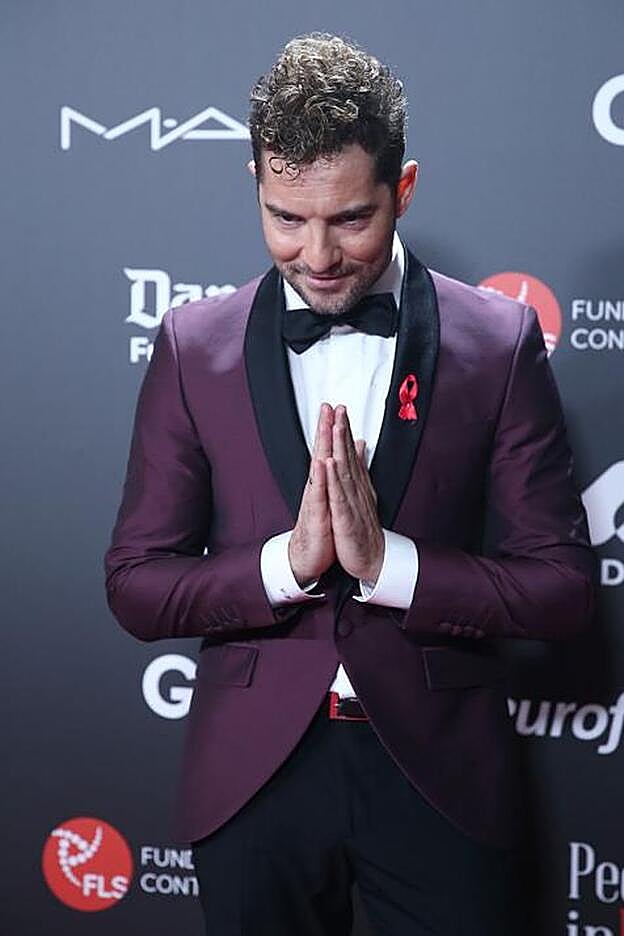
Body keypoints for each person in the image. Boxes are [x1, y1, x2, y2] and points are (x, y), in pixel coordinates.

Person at [105, 33, 595, 936]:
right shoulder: (191, 348)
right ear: (255, 182)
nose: (318, 254)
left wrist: (391, 566)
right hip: (253, 780)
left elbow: (562, 589)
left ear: (403, 189)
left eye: (351, 219)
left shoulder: (498, 344)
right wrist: (284, 567)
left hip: (442, 777)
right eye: (286, 218)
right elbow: (136, 586)